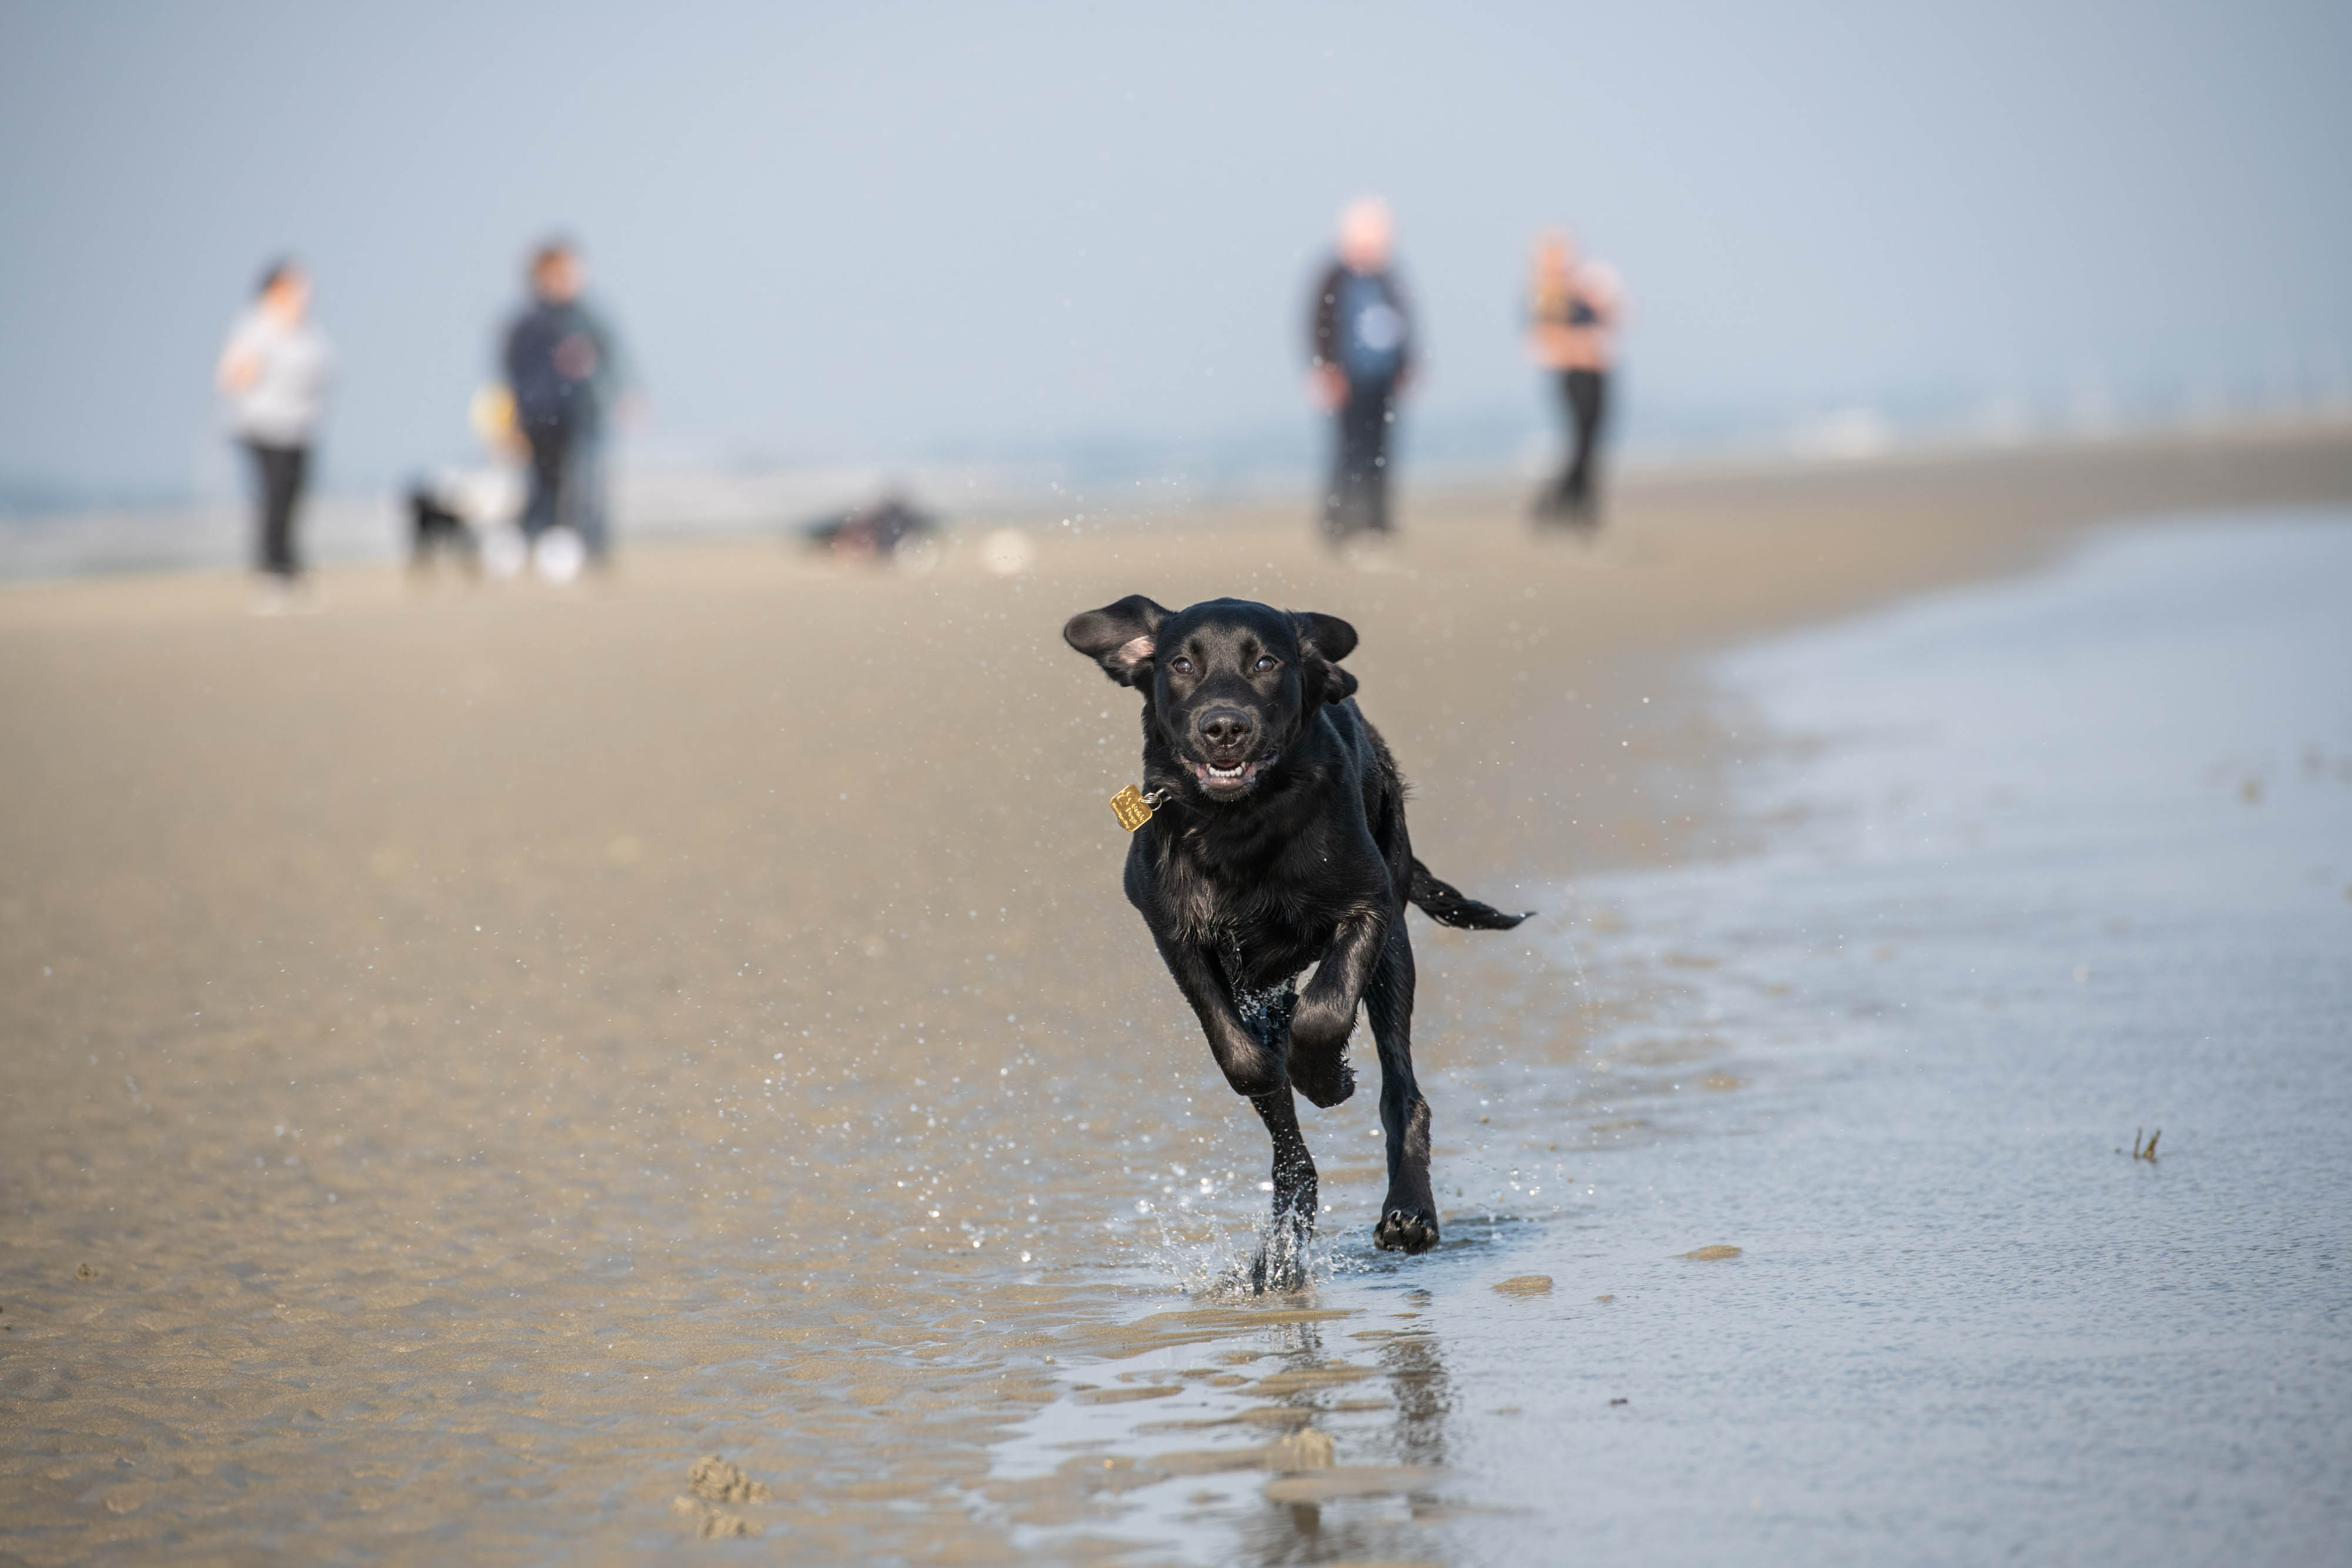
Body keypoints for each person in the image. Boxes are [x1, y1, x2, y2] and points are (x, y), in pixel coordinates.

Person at [501, 239, 629, 567]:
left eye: (570, 273)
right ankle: (535, 543)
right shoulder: (526, 325)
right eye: (556, 275)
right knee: (542, 484)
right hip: (540, 416)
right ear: (539, 278)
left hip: (587, 412)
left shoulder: (589, 318)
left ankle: (592, 549)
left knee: (590, 484)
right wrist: (513, 418)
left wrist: (626, 395)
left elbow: (616, 360)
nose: (565, 281)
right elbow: (513, 375)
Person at [215, 259, 332, 603]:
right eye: (295, 284)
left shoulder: (308, 329)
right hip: (264, 425)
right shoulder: (255, 325)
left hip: (302, 426)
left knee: (295, 499)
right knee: (274, 498)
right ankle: (273, 572)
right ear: (275, 288)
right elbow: (232, 375)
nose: (304, 291)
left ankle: (290, 567)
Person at [1307, 198, 1415, 547]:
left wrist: (1406, 364)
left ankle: (1376, 525)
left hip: (1382, 378)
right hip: (1347, 380)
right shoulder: (1333, 277)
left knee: (1380, 452)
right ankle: (1341, 526)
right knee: (1349, 453)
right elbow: (1317, 326)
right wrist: (1327, 370)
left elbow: (1403, 323)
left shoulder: (1386, 278)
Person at [1525, 228, 1624, 528]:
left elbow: (1614, 320)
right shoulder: (1546, 294)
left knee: (1593, 443)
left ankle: (1583, 507)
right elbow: (1546, 341)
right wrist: (1581, 346)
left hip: (1600, 372)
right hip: (1572, 376)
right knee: (1579, 443)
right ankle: (1553, 504)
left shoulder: (1584, 288)